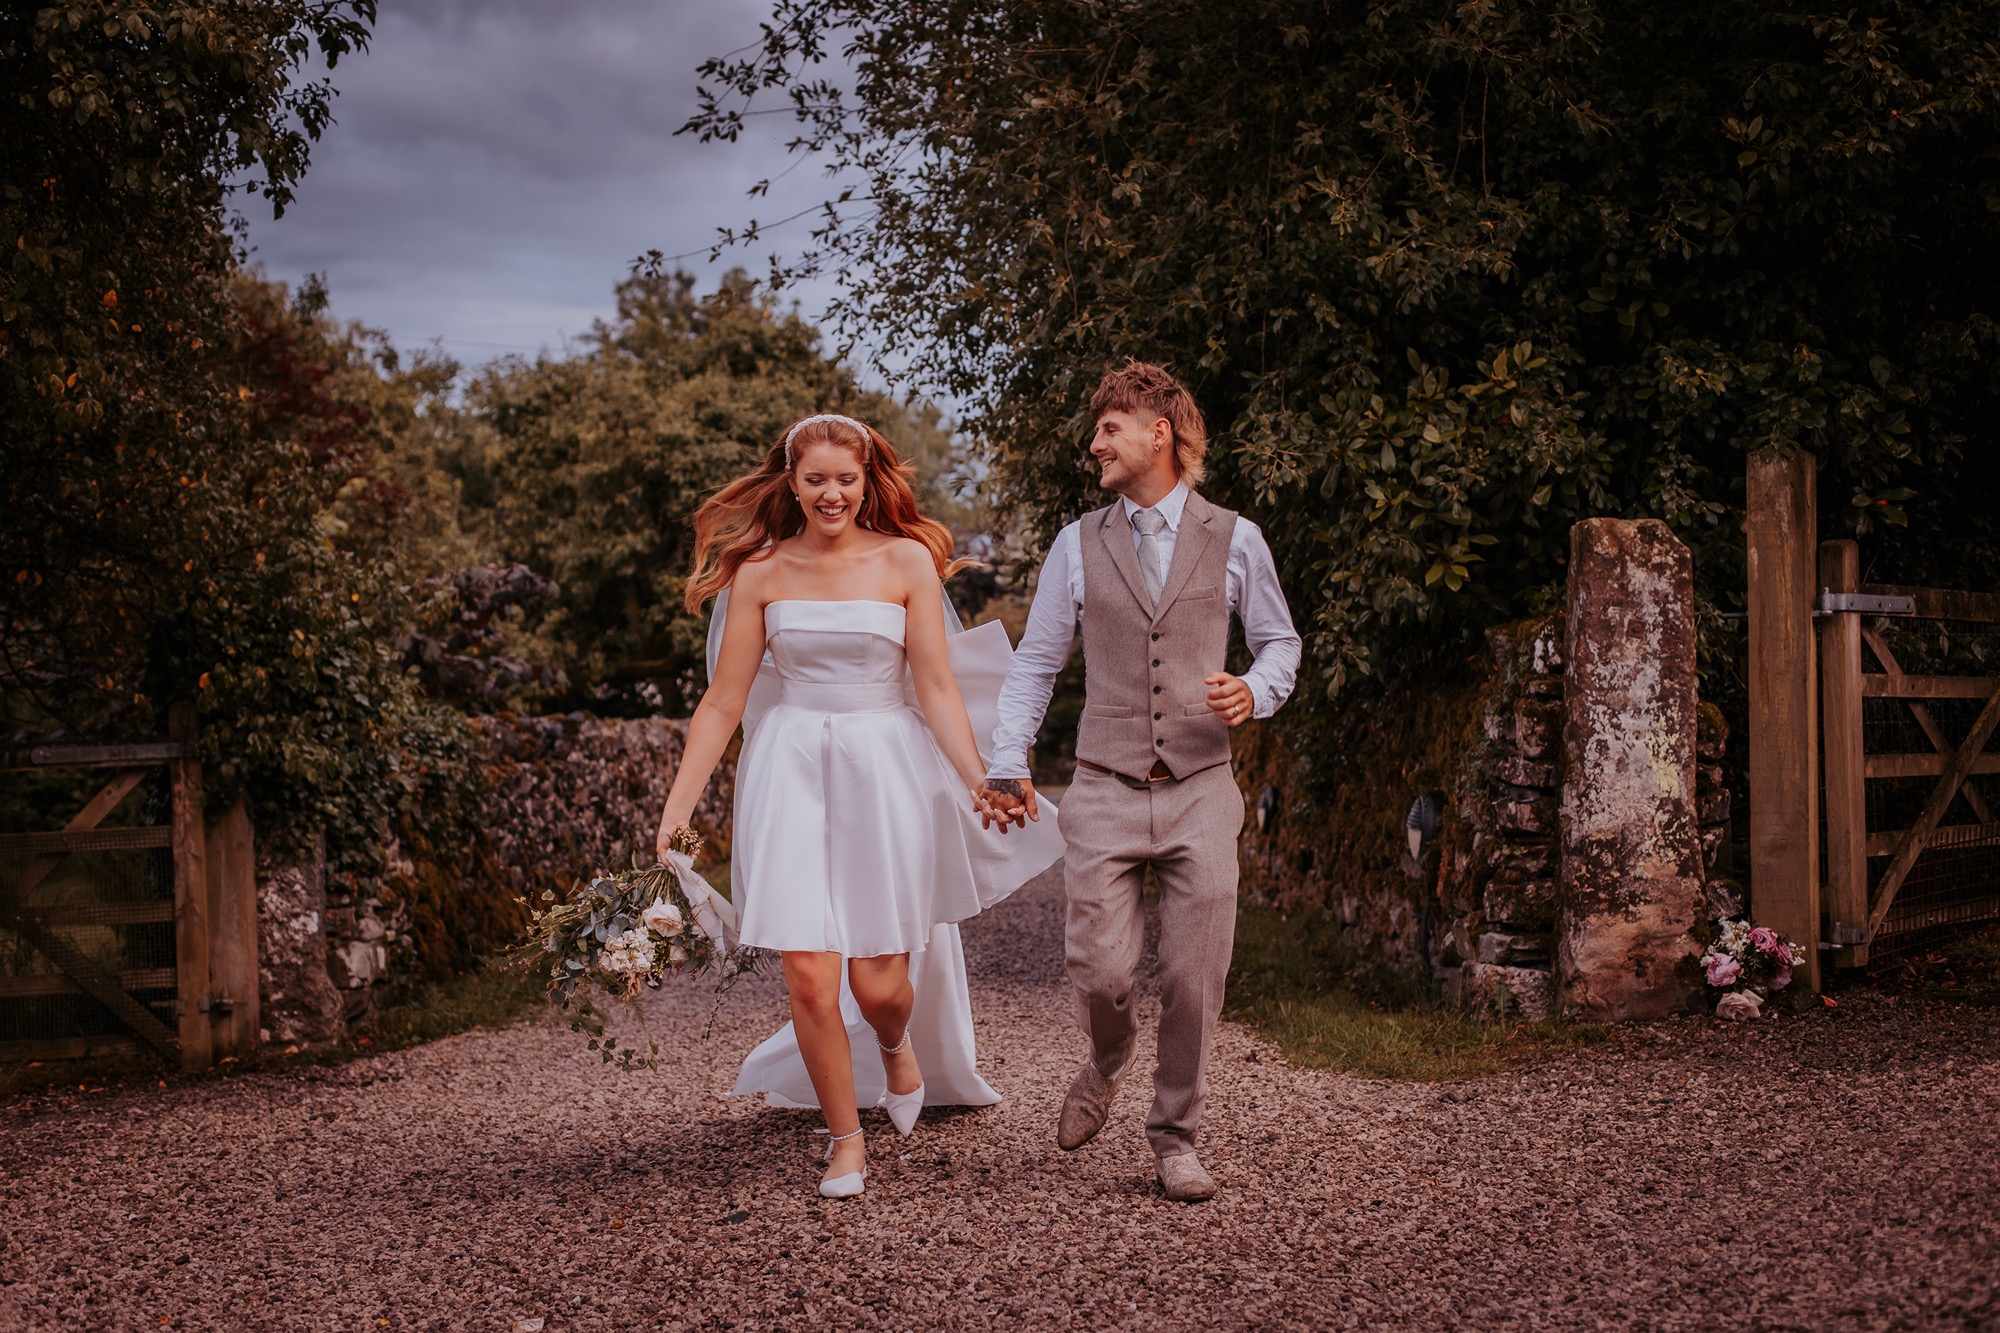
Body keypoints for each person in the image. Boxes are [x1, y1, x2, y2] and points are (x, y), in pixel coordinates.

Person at [654, 412, 1063, 1201]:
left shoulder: (906, 560)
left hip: (885, 769)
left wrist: (980, 775)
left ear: (869, 480)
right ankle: (846, 1141)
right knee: (809, 975)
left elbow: (937, 688)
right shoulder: (761, 573)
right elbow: (722, 702)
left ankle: (896, 1040)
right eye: (816, 480)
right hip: (792, 767)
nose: (832, 493)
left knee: (877, 985)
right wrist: (678, 809)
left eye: (847, 478)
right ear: (792, 484)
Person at [978, 360, 1301, 1202]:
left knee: (1197, 975)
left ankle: (1176, 1136)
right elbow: (1037, 660)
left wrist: (1254, 690)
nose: (1095, 443)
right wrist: (1007, 758)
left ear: (1160, 432)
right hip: (1104, 785)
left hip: (1200, 785)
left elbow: (1281, 644)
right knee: (1103, 972)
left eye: (1109, 427)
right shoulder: (1076, 542)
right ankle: (1105, 1058)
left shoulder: (1237, 538)